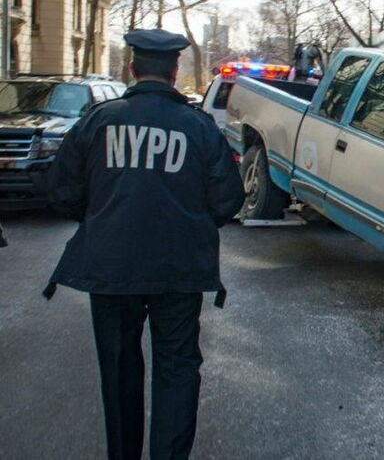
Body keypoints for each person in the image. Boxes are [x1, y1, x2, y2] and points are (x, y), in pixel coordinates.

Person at [43, 29, 245, 460]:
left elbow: (62, 190)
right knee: (177, 370)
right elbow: (228, 200)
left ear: (132, 69)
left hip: (112, 266)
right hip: (179, 270)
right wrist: (189, 225)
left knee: (118, 370)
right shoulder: (199, 127)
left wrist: (104, 220)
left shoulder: (98, 120)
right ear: (174, 72)